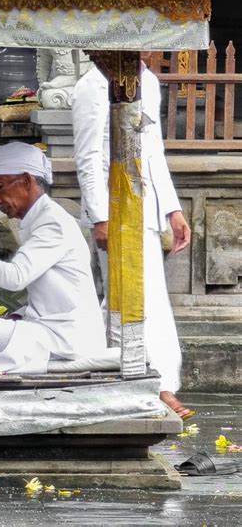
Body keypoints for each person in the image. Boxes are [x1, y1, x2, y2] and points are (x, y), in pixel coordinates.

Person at [72, 57, 193, 419]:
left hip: (146, 206)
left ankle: (163, 381)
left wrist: (172, 209)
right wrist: (100, 216)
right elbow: (89, 156)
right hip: (114, 205)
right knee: (123, 297)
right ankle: (141, 384)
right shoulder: (91, 86)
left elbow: (153, 149)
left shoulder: (148, 80)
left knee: (153, 297)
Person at [0, 142, 108, 374]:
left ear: (26, 181)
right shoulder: (40, 219)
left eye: (1, 187)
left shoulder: (52, 223)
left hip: (68, 338)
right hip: (51, 330)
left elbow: (15, 277)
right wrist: (17, 316)